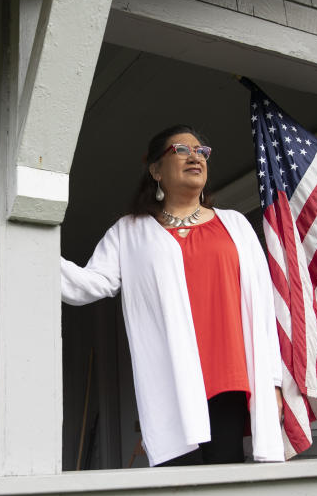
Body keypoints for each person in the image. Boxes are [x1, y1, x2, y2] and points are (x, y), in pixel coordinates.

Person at [61, 125, 285, 466]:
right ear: (155, 170)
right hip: (171, 384)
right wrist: (33, 251)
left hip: (231, 380)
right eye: (181, 150)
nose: (195, 156)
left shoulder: (235, 225)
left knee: (226, 491)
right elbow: (89, 284)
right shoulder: (130, 232)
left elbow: (264, 310)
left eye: (201, 151)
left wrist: (272, 381)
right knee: (181, 491)